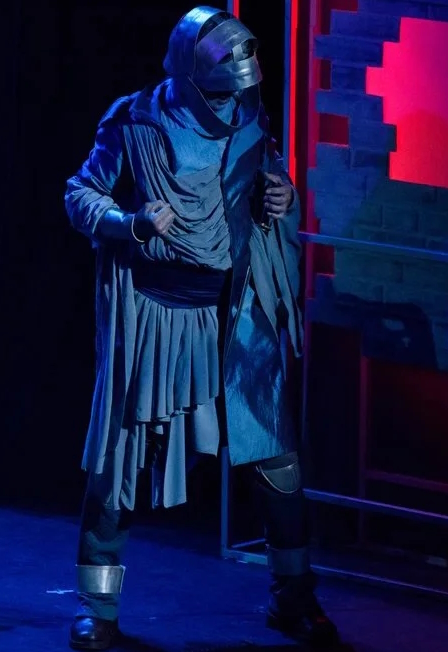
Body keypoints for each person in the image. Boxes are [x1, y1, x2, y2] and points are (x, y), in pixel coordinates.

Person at [64, 6, 339, 650]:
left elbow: (267, 183)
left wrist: (281, 195)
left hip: (235, 313)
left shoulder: (250, 118)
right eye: (221, 84)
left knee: (277, 459)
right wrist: (128, 222)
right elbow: (80, 192)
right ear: (190, 70)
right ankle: (99, 607)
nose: (232, 97)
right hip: (158, 318)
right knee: (119, 461)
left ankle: (294, 597)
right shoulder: (137, 119)